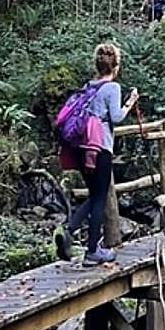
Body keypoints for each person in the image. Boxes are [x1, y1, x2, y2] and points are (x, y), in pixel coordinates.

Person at [56, 43, 139, 264]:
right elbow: (117, 117)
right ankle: (92, 251)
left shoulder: (89, 87)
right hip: (100, 148)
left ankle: (69, 229)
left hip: (83, 147)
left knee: (94, 195)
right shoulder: (112, 88)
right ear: (116, 66)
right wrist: (130, 103)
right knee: (100, 198)